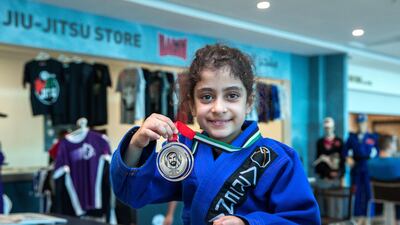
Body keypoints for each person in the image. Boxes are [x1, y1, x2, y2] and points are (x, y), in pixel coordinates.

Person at [110, 44, 320, 225]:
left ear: (248, 102)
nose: (219, 108)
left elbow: (303, 220)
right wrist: (137, 145)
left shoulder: (277, 159)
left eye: (232, 95)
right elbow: (132, 193)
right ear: (192, 105)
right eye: (207, 96)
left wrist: (249, 222)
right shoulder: (184, 150)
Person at [344, 113, 379, 218]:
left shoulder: (372, 137)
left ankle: (370, 214)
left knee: (369, 191)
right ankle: (357, 214)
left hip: (369, 167)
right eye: (359, 123)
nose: (361, 126)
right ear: (356, 124)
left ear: (366, 123)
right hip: (356, 167)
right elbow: (344, 151)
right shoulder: (352, 137)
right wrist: (348, 158)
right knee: (356, 191)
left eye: (363, 123)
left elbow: (377, 152)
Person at [313, 117, 345, 218]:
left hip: (336, 179)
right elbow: (318, 161)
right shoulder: (320, 142)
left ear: (334, 128)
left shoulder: (339, 142)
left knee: (336, 206)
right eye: (326, 128)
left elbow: (342, 160)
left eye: (330, 128)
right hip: (324, 179)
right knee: (323, 206)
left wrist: (340, 174)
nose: (328, 130)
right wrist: (326, 173)